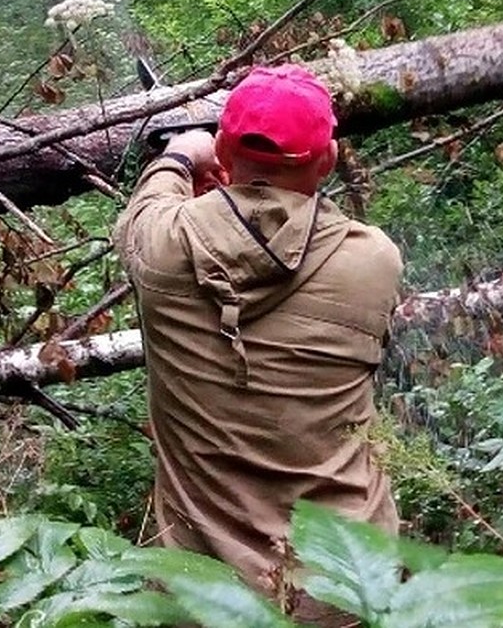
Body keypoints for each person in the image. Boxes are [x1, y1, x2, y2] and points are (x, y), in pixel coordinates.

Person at [113, 64, 403, 624]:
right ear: (329, 160)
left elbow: (145, 213)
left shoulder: (163, 247)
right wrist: (229, 208)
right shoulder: (375, 261)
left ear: (223, 147)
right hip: (348, 584)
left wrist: (180, 157)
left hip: (210, 598)